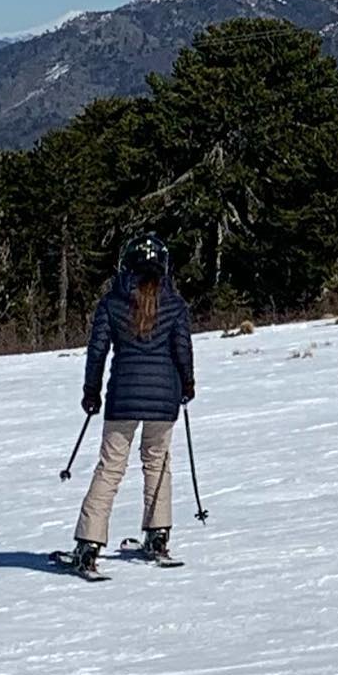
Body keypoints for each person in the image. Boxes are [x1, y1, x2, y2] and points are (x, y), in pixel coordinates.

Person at [68, 233, 195, 576]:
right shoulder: (175, 304)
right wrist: (187, 384)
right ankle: (158, 536)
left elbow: (97, 352)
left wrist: (90, 392)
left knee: (110, 468)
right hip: (163, 398)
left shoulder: (112, 302)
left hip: (123, 397)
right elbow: (182, 348)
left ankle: (88, 545)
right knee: (157, 463)